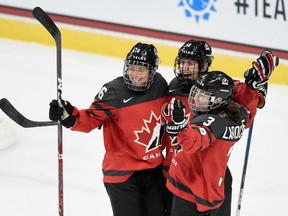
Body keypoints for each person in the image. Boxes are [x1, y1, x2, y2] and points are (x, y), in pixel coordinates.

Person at [49, 42, 169, 216]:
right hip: (122, 174)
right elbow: (90, 119)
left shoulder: (160, 86)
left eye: (141, 70)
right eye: (131, 68)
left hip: (154, 171)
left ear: (152, 71)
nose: (134, 74)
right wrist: (68, 115)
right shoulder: (115, 91)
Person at [163, 39, 277, 216]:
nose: (185, 68)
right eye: (183, 62)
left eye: (191, 63)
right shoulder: (172, 88)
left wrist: (252, 87)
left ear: (205, 65)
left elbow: (242, 106)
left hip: (211, 171)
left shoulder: (217, 86)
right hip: (181, 169)